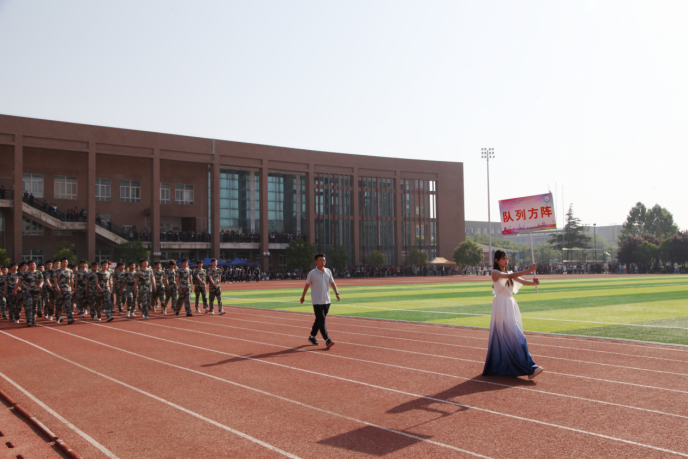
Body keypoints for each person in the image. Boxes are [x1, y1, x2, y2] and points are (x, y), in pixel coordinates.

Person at [483, 250, 543, 379]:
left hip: (510, 304)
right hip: (501, 305)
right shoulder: (495, 273)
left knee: (511, 336)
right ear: (496, 260)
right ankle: (530, 367)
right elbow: (511, 276)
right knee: (516, 337)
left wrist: (534, 283)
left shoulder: (508, 273)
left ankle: (519, 366)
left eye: (507, 258)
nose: (506, 260)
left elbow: (521, 280)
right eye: (503, 258)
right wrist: (529, 270)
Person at [300, 253, 340, 349]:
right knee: (322, 320)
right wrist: (303, 296)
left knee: (319, 320)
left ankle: (312, 337)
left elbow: (332, 283)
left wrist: (337, 293)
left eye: (324, 260)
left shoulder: (328, 271)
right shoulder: (312, 273)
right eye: (321, 260)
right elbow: (307, 285)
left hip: (327, 301)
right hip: (317, 301)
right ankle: (327, 340)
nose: (323, 261)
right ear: (316, 262)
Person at [14, 260, 43, 327]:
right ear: (28, 266)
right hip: (27, 292)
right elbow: (19, 282)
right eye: (31, 264)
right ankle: (29, 320)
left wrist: (40, 285)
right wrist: (15, 290)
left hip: (36, 291)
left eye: (33, 264)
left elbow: (42, 280)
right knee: (28, 305)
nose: (32, 266)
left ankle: (33, 320)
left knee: (34, 306)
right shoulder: (25, 273)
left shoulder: (39, 273)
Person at [52, 258, 75, 325]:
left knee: (68, 304)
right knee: (59, 304)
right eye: (64, 262)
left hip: (67, 290)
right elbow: (55, 281)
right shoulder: (57, 271)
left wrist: (72, 289)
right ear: (61, 263)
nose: (65, 263)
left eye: (66, 262)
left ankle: (70, 318)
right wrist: (57, 288)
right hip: (60, 290)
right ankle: (58, 317)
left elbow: (71, 281)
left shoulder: (70, 271)